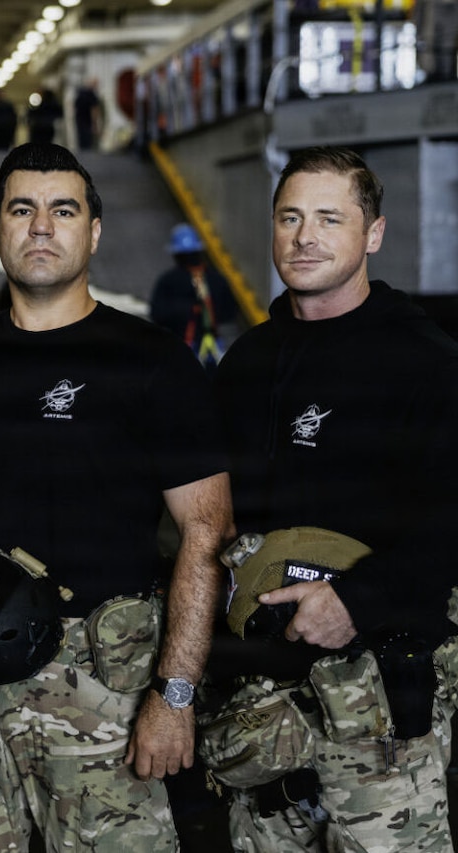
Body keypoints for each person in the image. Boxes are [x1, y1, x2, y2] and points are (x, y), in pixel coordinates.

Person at [0, 142, 231, 852]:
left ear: (94, 230)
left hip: (105, 693)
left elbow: (207, 533)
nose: (42, 227)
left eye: (64, 210)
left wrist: (174, 694)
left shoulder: (152, 363)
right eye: (22, 209)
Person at [213, 146, 458, 851]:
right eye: (289, 217)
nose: (304, 236)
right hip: (260, 714)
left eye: (328, 217)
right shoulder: (245, 366)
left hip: (382, 715)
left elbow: (450, 519)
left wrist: (357, 600)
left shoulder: (426, 362)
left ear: (372, 233)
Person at [148, 222, 240, 370]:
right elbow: (229, 312)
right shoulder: (217, 280)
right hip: (212, 351)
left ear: (176, 254)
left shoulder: (168, 281)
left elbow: (157, 314)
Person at [73, 79, 102, 151]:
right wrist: (94, 123)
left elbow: (75, 106)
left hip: (79, 119)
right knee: (88, 143)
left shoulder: (80, 93)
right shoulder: (92, 95)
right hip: (88, 121)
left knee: (81, 141)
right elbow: (94, 110)